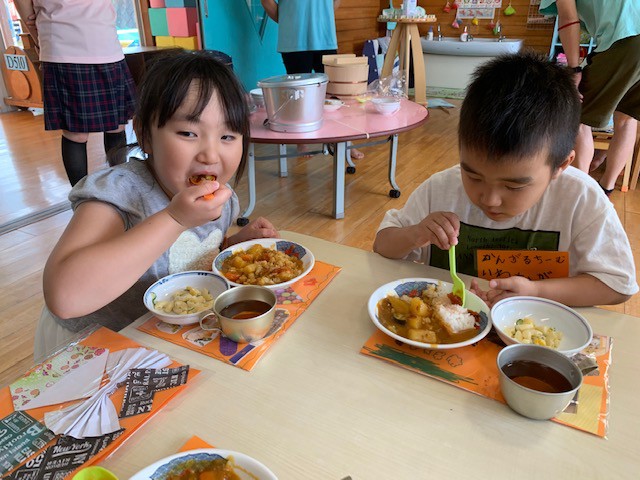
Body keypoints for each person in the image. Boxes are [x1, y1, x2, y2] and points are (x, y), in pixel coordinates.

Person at [34, 50, 278, 359]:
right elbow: (64, 296)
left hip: (160, 338)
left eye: (228, 136)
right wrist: (174, 219)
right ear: (144, 135)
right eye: (188, 133)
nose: (210, 154)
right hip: (91, 346)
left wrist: (236, 244)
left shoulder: (222, 198)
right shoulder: (119, 193)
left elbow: (191, 257)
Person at [373, 52, 638, 308]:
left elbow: (617, 285)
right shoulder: (441, 189)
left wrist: (536, 291)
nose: (490, 199)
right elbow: (383, 244)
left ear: (561, 165)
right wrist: (415, 234)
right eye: (473, 175)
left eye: (514, 185)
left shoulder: (580, 198)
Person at [14, 0, 137, 186]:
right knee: (80, 133)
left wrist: (38, 34)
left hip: (100, 44)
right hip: (71, 47)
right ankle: (90, 195)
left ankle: (115, 190)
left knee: (112, 127)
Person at [539, 0, 640, 195]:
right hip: (628, 36)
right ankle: (605, 190)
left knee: (576, 115)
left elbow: (568, 18)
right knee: (627, 118)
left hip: (625, 39)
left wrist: (573, 69)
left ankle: (581, 193)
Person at [260, 0, 364, 160]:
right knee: (298, 96)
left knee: (334, 95)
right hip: (294, 40)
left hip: (325, 35)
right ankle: (301, 141)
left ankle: (343, 140)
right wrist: (289, 19)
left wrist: (321, 16)